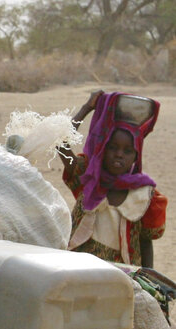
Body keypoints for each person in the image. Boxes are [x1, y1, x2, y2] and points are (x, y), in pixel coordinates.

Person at [59, 90, 167, 267]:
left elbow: (146, 243)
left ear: (135, 156)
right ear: (102, 148)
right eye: (112, 147)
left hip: (123, 277)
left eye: (127, 151)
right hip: (77, 269)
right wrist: (87, 108)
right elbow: (61, 144)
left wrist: (150, 279)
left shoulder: (145, 196)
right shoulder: (87, 175)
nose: (119, 155)